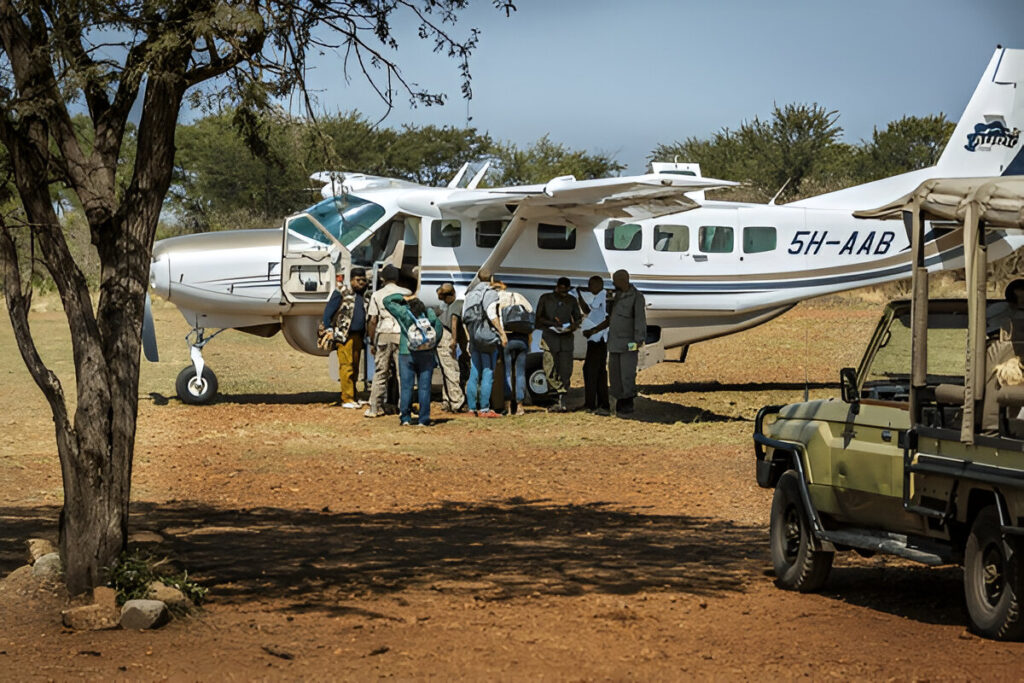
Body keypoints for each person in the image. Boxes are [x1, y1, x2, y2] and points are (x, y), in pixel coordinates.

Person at [584, 269, 646, 416]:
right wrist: (594, 330)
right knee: (615, 375)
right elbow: (610, 319)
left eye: (616, 281)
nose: (613, 284)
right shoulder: (616, 297)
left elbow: (640, 320)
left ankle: (628, 402)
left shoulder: (636, 297)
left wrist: (637, 342)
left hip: (629, 344)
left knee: (627, 374)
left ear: (623, 280)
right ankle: (619, 401)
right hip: (614, 343)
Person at [383, 293, 443, 426]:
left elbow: (386, 301)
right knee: (424, 388)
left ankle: (405, 418)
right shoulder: (429, 314)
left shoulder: (404, 313)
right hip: (426, 355)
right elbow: (438, 328)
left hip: (406, 353)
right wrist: (431, 345)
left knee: (406, 387)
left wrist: (403, 297)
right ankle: (423, 419)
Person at [319, 267, 369, 408]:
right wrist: (329, 329)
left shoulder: (364, 295)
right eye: (358, 280)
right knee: (346, 366)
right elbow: (328, 312)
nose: (361, 283)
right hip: (344, 335)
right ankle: (347, 398)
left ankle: (353, 395)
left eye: (363, 280)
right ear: (351, 279)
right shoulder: (341, 292)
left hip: (358, 336)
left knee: (355, 367)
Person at [365, 264, 411, 418]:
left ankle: (374, 408)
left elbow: (372, 320)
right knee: (402, 373)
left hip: (384, 333)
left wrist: (372, 341)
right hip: (401, 334)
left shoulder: (377, 295)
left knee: (380, 372)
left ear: (383, 278)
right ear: (397, 278)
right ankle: (404, 409)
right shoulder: (407, 293)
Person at [462, 269, 506, 418]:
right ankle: (485, 409)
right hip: (488, 338)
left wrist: (469, 339)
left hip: (474, 337)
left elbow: (465, 319)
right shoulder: (491, 294)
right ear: (491, 278)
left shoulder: (469, 295)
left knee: (474, 373)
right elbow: (492, 314)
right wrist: (502, 333)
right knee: (488, 372)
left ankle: (471, 408)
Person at [535, 276, 582, 412]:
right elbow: (538, 319)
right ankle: (555, 396)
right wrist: (552, 324)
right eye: (560, 290)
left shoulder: (572, 300)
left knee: (566, 370)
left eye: (565, 291)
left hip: (566, 339)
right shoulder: (546, 298)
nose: (563, 294)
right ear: (556, 287)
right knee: (549, 368)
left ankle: (562, 399)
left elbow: (578, 318)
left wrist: (572, 326)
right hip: (550, 339)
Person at [577, 275, 610, 415]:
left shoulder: (605, 297)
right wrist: (579, 296)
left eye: (591, 284)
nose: (589, 287)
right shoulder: (598, 298)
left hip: (599, 339)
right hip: (594, 339)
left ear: (598, 284)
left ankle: (592, 404)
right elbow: (588, 311)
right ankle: (601, 403)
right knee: (597, 371)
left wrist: (593, 330)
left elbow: (609, 319)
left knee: (592, 371)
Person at [498, 287, 534, 416]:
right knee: (520, 374)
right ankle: (520, 407)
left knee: (507, 373)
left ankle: (507, 407)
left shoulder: (499, 300)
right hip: (522, 340)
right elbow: (530, 316)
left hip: (507, 339)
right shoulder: (520, 297)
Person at [435, 282, 467, 413]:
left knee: (446, 370)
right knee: (452, 370)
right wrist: (454, 340)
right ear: (453, 292)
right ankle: (457, 403)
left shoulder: (448, 307)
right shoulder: (458, 303)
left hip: (441, 336)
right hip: (446, 336)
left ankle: (447, 400)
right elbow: (454, 320)